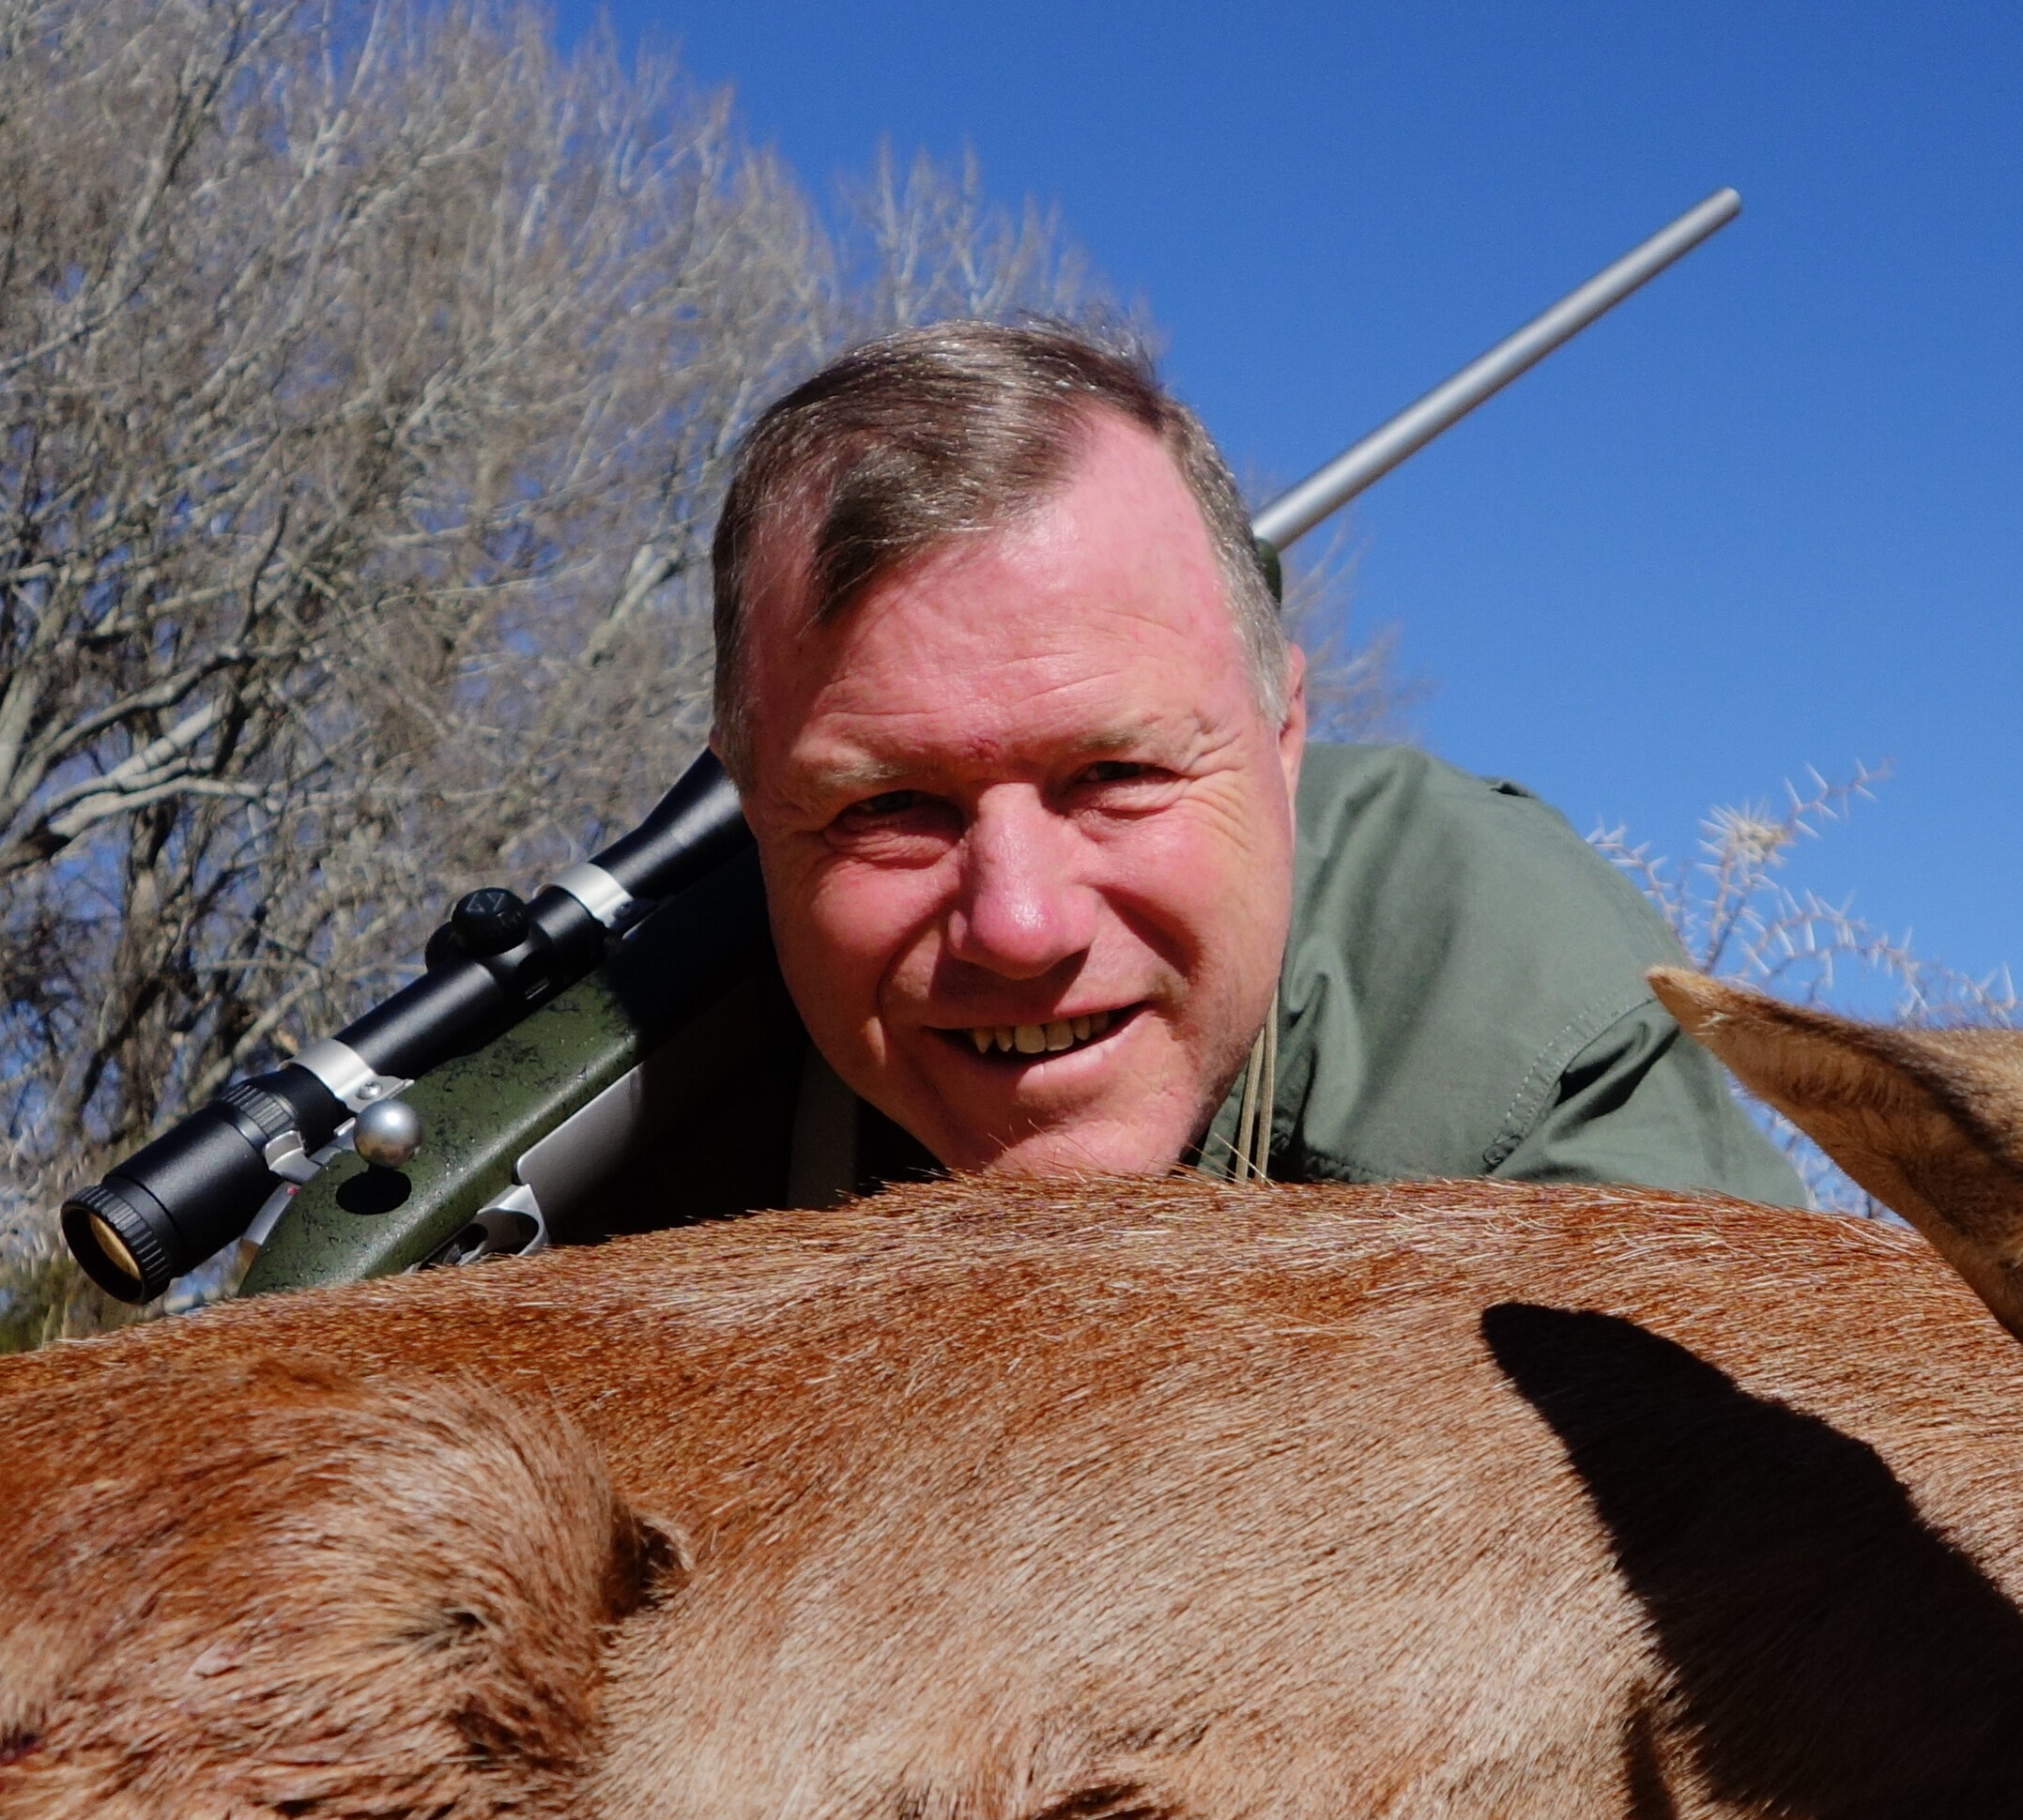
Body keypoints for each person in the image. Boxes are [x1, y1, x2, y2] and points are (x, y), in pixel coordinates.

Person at [543, 320, 1803, 1234]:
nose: (1018, 926)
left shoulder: (1525, 1014)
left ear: (1286, 736)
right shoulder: (621, 1104)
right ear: (754, 805)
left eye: (1116, 775)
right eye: (886, 806)